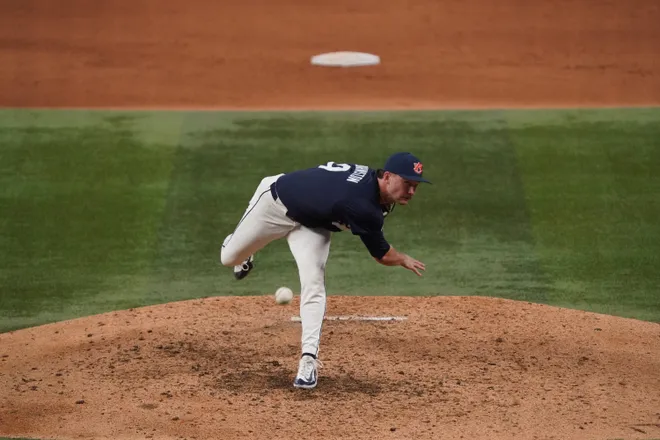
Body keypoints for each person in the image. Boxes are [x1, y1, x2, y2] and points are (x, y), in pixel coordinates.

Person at [220, 152, 430, 389]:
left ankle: (308, 360)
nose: (411, 192)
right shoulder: (362, 205)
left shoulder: (374, 185)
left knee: (314, 282)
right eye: (407, 184)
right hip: (275, 203)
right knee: (229, 258)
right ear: (388, 176)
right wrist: (403, 258)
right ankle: (242, 248)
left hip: (313, 225)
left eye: (415, 186)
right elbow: (382, 255)